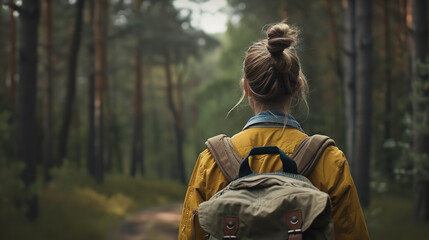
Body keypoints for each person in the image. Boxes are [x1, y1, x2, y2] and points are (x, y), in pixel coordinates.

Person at [178, 20, 369, 240]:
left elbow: (189, 235)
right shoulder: (329, 160)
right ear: (298, 87)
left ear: (246, 88)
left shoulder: (211, 162)